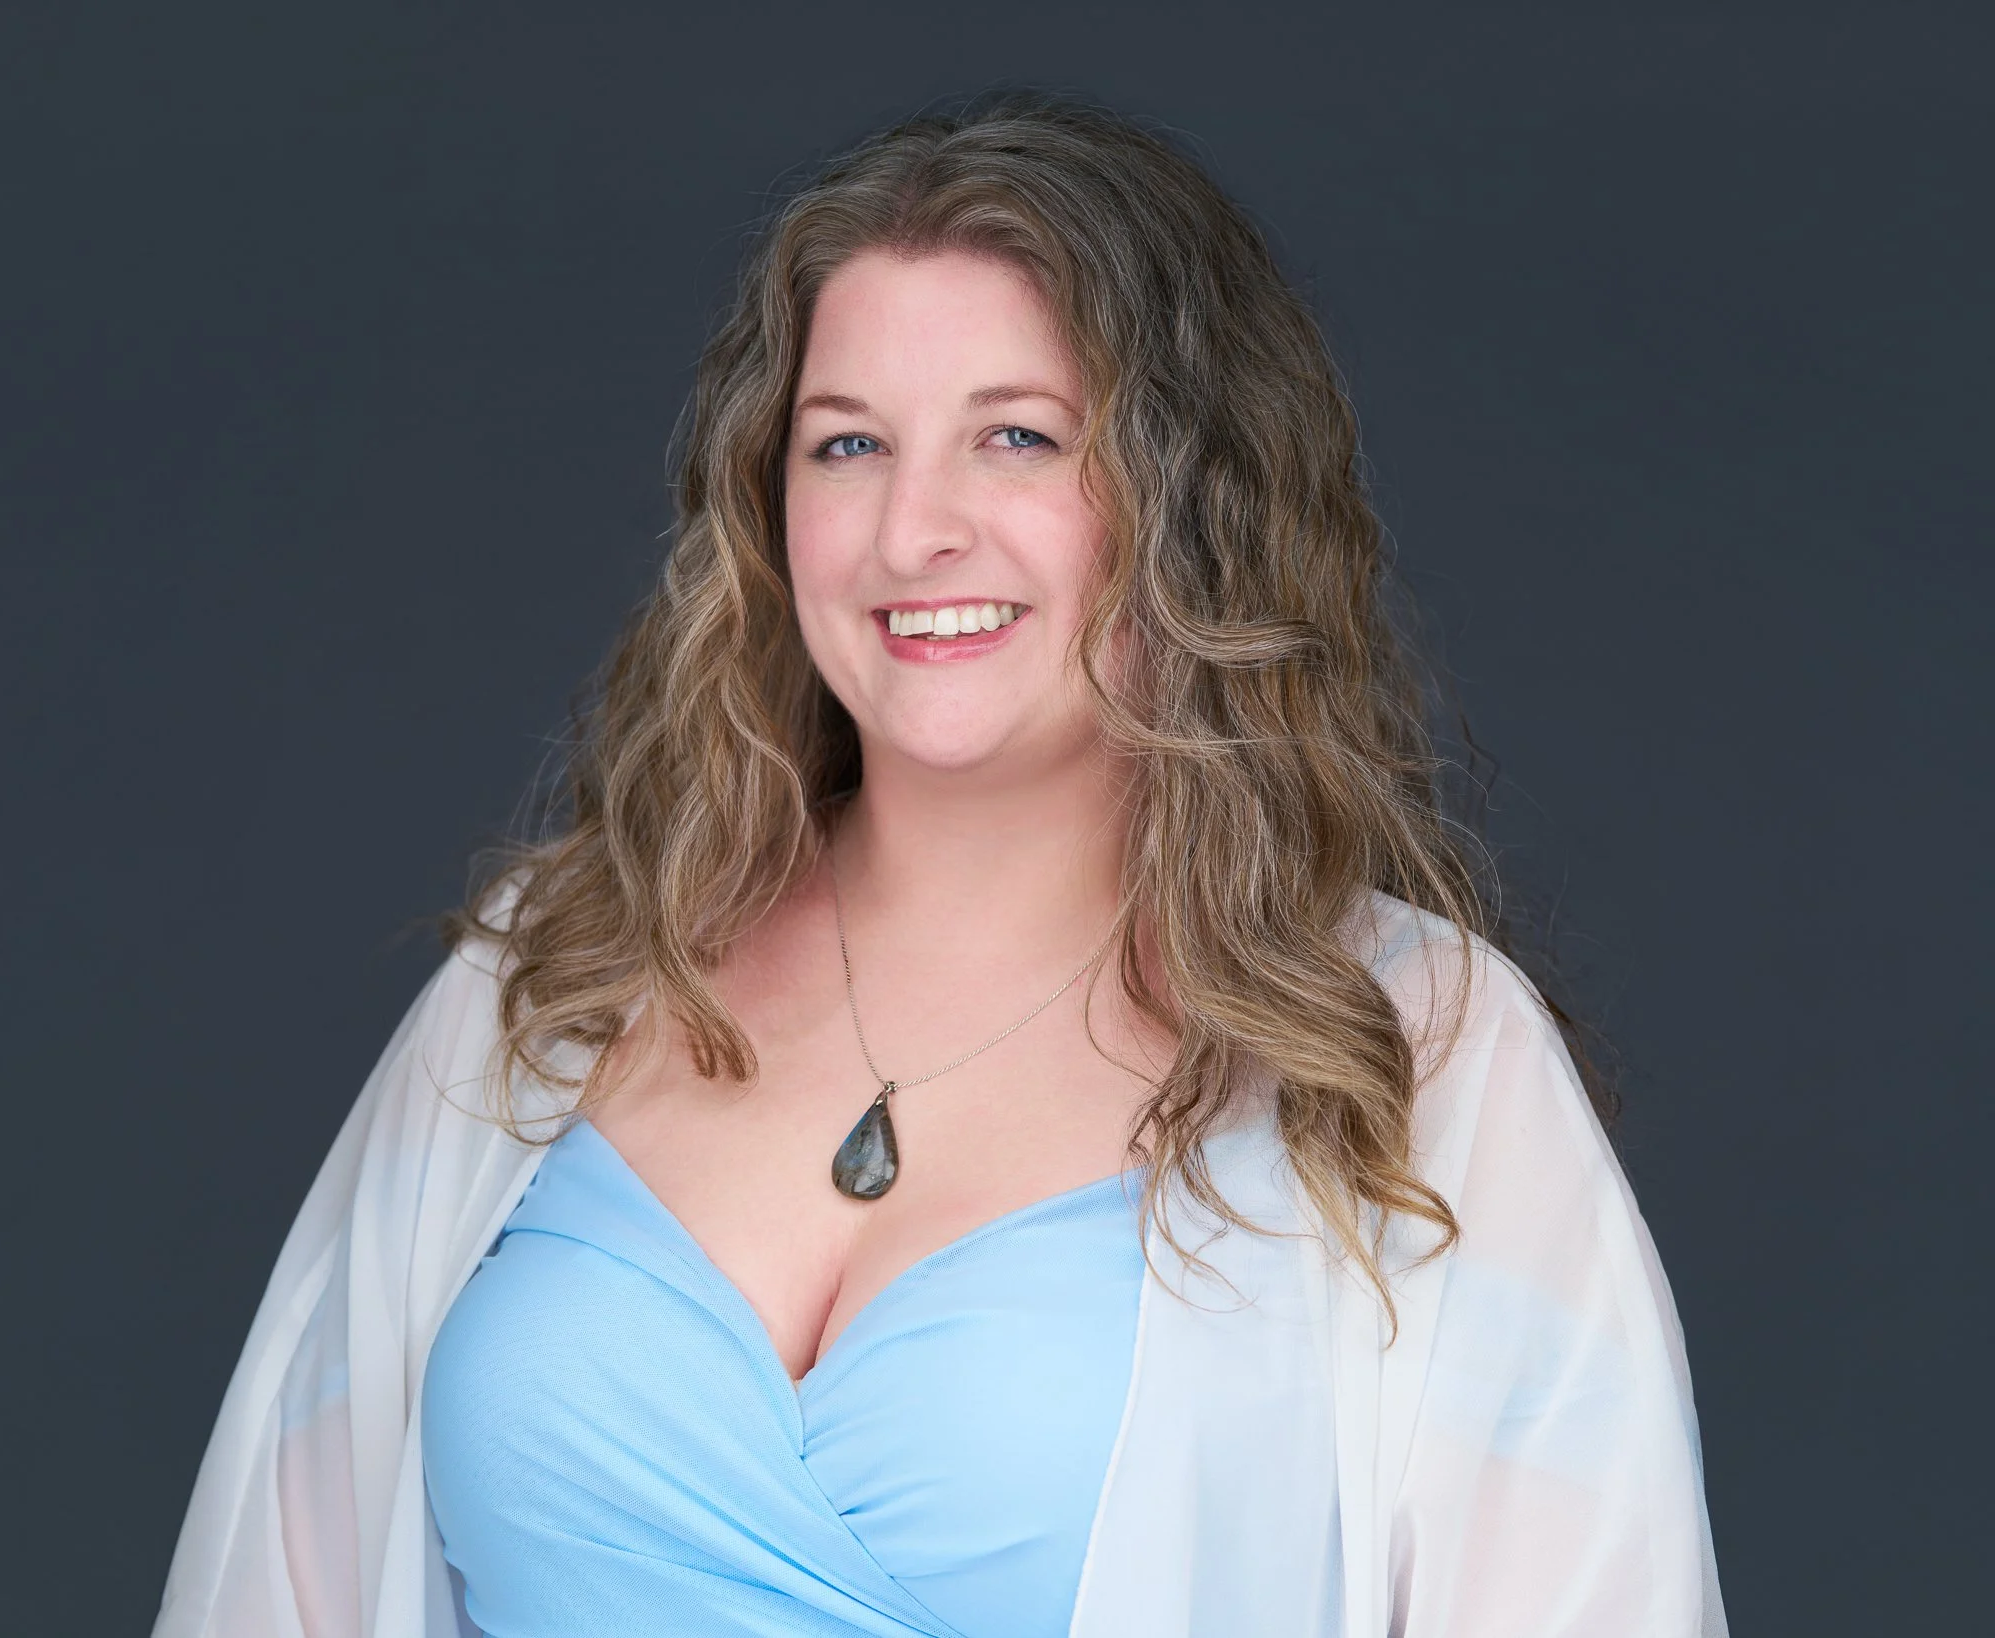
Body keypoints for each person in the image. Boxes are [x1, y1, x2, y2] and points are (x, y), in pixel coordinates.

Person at [153, 95, 1726, 1638]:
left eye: (1017, 438)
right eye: (847, 445)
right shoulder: (558, 972)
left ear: (1194, 505)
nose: (914, 530)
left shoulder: (1417, 1054)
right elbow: (274, 1591)